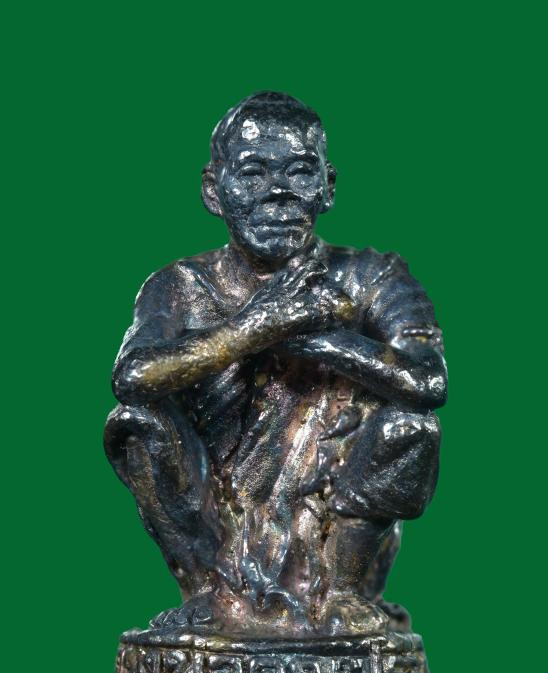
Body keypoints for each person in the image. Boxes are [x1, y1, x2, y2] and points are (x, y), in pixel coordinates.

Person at [104, 91, 447, 637]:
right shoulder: (181, 286)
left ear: (327, 187)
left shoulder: (371, 276)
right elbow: (132, 377)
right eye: (253, 174)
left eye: (300, 172)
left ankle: (343, 592)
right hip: (216, 509)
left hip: (333, 500)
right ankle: (207, 593)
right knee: (135, 424)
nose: (278, 193)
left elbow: (427, 380)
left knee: (412, 427)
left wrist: (321, 339)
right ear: (214, 191)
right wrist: (253, 329)